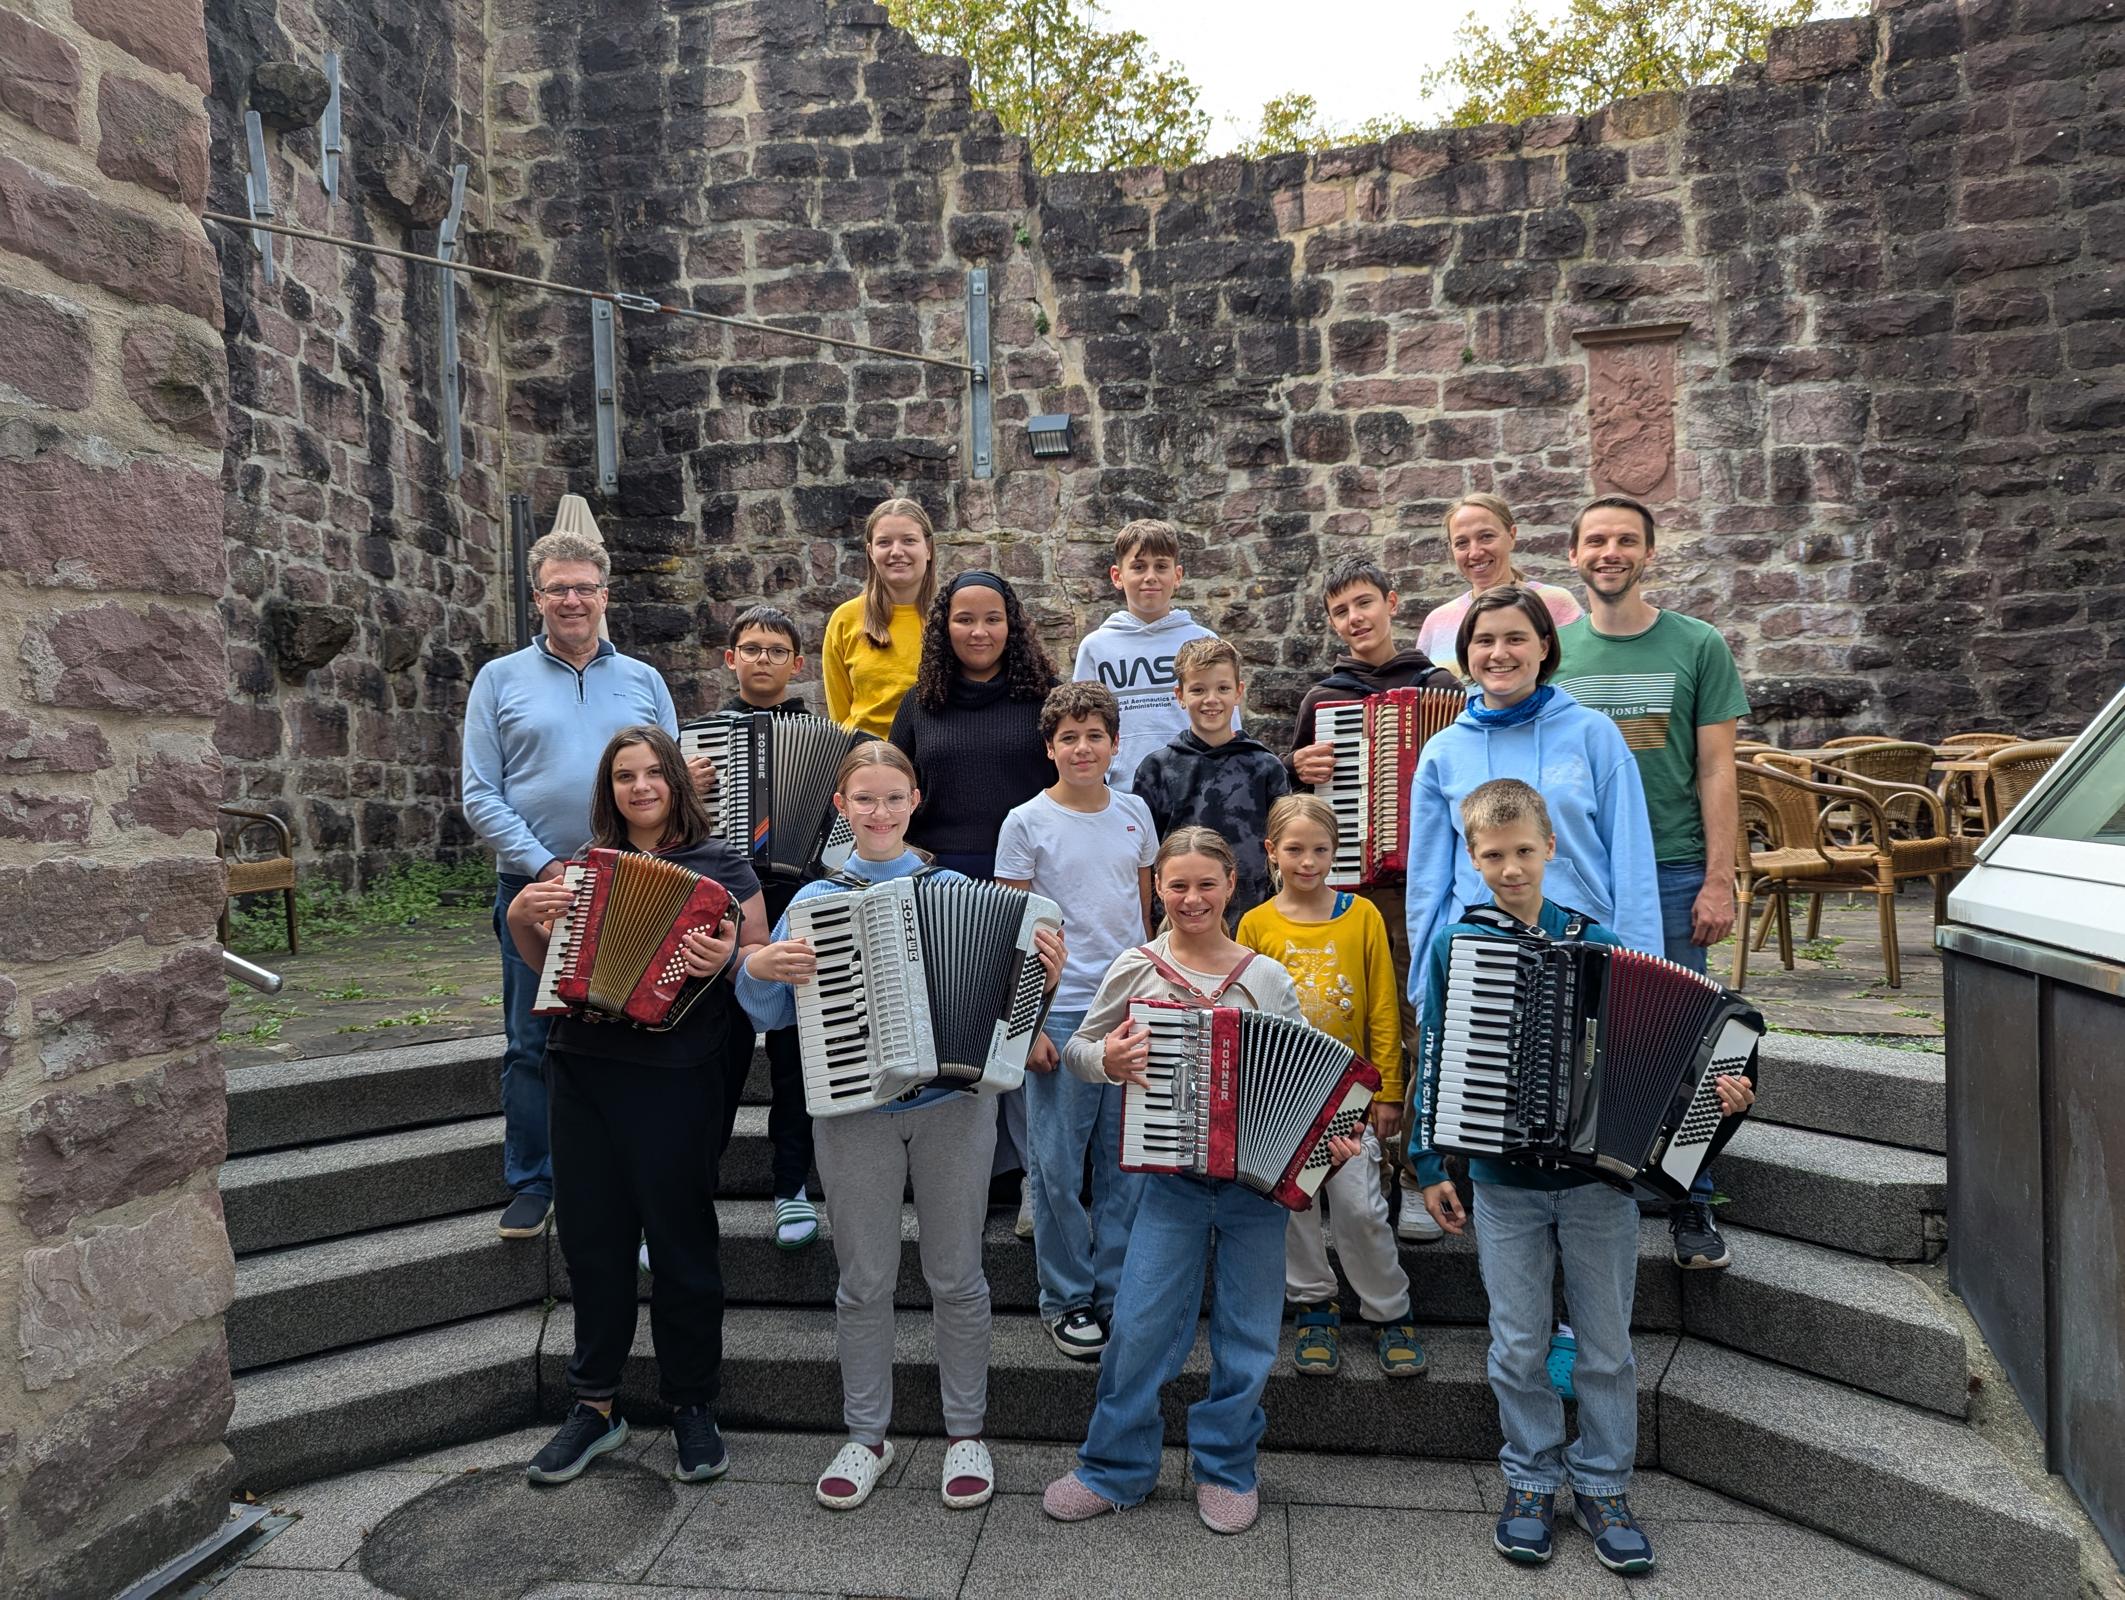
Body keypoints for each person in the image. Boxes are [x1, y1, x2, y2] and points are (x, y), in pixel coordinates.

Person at [1409, 778, 1755, 1574]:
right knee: (1516, 1342)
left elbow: (1666, 1060)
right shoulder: (1456, 945)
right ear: (1471, 857)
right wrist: (1428, 1163)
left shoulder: (1600, 942)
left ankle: (1602, 1485)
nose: (1509, 868)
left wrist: (1721, 1095)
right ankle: (1530, 1478)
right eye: (1492, 855)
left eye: (1523, 851)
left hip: (1598, 1188)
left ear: (1550, 848)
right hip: (1503, 1186)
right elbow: (1435, 1056)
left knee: (1604, 1347)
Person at [735, 743, 1064, 1513]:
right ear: (840, 807)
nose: (878, 812)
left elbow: (1010, 1020)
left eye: (892, 798)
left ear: (915, 801)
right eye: (863, 799)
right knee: (863, 1281)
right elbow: (769, 1012)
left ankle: (965, 1434)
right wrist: (757, 968)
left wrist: (1041, 980)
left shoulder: (958, 890)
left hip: (954, 1107)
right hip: (853, 1114)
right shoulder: (813, 899)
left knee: (957, 1276)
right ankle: (866, 1435)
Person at [1042, 826, 1358, 1536]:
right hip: (1169, 1184)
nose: (1191, 898)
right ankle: (1113, 1468)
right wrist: (1108, 1061)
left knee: (1248, 1337)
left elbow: (1305, 1080)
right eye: (1177, 885)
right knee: (1139, 1327)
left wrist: (1329, 1142)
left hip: (1254, 1191)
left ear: (1231, 886)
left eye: (1206, 884)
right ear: (1157, 888)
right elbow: (1080, 1048)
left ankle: (1226, 1466)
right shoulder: (1136, 966)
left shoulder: (1264, 977)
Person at [505, 726, 768, 1487]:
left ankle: (692, 1403)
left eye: (653, 772)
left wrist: (729, 958)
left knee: (682, 1244)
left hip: (678, 1074)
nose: (641, 786)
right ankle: (594, 1405)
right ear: (609, 789)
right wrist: (522, 917)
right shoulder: (582, 867)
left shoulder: (723, 865)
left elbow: (757, 961)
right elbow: (551, 967)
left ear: (676, 782)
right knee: (593, 1242)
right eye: (625, 776)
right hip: (583, 1068)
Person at [461, 523, 705, 1241]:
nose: (572, 600)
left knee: (633, 1031)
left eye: (584, 588)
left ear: (606, 594)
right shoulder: (498, 679)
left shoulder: (645, 680)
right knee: (531, 1039)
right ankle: (533, 1180)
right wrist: (545, 865)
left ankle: (620, 1172)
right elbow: (480, 794)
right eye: (557, 589)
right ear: (537, 598)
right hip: (538, 888)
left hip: (635, 885)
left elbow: (667, 781)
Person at [1553, 495, 1751, 1272]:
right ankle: (1594, 1176)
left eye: (1625, 540)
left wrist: (1718, 879)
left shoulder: (1696, 645)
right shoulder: (1554, 652)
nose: (1610, 552)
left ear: (1648, 553)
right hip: (1579, 876)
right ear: (1572, 555)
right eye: (1596, 540)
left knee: (1680, 1036)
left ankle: (1691, 1195)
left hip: (1670, 869)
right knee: (1579, 1038)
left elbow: (1716, 770)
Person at [1285, 553, 1461, 1244]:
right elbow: (1301, 804)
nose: (1354, 618)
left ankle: (1417, 1174)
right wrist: (1297, 767)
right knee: (1355, 1024)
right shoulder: (1324, 700)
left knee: (1422, 1027)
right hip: (1357, 892)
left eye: (1364, 603)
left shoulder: (1438, 687)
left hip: (1427, 886)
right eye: (1340, 611)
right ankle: (1351, 1168)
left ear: (1392, 601)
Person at [1403, 585, 1662, 1020]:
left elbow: (1631, 860)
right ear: (1467, 652)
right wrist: (1427, 987)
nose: (1499, 653)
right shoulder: (1442, 752)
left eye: (1515, 638)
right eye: (1484, 640)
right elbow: (1427, 882)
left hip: (1581, 948)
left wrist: (1641, 976)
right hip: (1480, 955)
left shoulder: (1593, 735)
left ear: (1543, 646)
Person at [994, 682, 1157, 1362]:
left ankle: (1115, 1291)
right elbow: (1011, 934)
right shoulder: (1025, 822)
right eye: (1069, 737)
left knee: (1124, 1166)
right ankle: (1065, 1298)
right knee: (1056, 1168)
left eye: (1094, 736)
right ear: (1049, 748)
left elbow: (1144, 917)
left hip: (1129, 1012)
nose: (1082, 748)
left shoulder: (1136, 812)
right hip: (1061, 1014)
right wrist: (1026, 1024)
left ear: (1115, 744)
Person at [889, 569, 1060, 1209]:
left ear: (1012, 624)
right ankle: (972, 1175)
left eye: (992, 618)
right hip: (943, 888)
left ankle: (1033, 1175)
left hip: (1025, 882)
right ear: (944, 626)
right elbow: (895, 789)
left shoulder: (1044, 698)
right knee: (958, 1026)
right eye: (964, 619)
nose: (979, 631)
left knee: (1021, 1024)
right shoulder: (920, 704)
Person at [1236, 796, 1423, 1380]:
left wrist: (1387, 1090)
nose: (1308, 861)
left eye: (1320, 850)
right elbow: (1249, 1015)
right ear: (1271, 852)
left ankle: (1389, 1309)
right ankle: (1314, 1304)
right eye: (1294, 849)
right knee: (1294, 1209)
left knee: (1360, 1207)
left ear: (1336, 851)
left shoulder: (1362, 915)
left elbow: (1384, 1006)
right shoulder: (1255, 924)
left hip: (1350, 1096)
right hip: (1281, 1097)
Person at [712, 603, 826, 1249]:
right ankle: (692, 1187)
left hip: (798, 901)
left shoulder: (824, 737)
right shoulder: (702, 738)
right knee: (717, 1057)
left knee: (795, 1058)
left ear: (797, 664)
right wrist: (690, 784)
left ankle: (791, 1186)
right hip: (725, 910)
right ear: (731, 659)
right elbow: (682, 826)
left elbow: (841, 823)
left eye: (776, 650)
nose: (763, 659)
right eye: (751, 648)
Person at [1130, 637, 1291, 924]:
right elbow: (1143, 859)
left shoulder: (1266, 767)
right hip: (1180, 920)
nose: (1211, 699)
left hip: (1254, 919)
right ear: (1180, 695)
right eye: (1198, 690)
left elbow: (1283, 850)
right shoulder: (1156, 770)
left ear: (1239, 692)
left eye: (1223, 688)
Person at [1070, 518, 1227, 792]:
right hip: (1122, 794)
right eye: (1139, 566)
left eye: (1161, 566)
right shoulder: (1095, 647)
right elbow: (1082, 723)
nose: (1150, 576)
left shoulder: (1204, 642)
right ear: (1117, 576)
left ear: (1177, 576)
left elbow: (1226, 723)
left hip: (1196, 789)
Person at [1414, 493, 1583, 677]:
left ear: (1512, 536)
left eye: (1486, 537)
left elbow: (1581, 677)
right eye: (1462, 543)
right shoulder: (1437, 622)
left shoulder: (1556, 603)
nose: (1475, 553)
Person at [822, 498, 935, 737]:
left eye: (909, 540)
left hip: (932, 754)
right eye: (884, 542)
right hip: (864, 755)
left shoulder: (952, 619)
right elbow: (839, 718)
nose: (897, 551)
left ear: (928, 549)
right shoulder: (844, 620)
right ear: (871, 552)